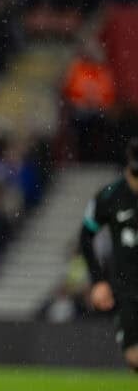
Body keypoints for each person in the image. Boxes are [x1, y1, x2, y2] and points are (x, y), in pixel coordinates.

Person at [80, 137, 138, 372]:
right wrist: (98, 280)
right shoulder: (109, 196)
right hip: (126, 288)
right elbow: (86, 236)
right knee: (133, 356)